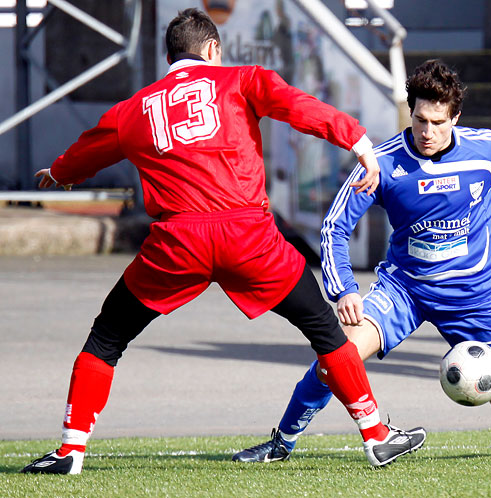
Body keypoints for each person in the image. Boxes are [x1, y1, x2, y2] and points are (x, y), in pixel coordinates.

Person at [20, 8, 426, 474]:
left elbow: (87, 151)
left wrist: (59, 172)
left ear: (169, 57)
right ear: (213, 49)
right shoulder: (241, 79)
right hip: (250, 238)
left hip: (178, 243)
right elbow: (299, 107)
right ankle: (375, 435)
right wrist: (357, 141)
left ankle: (71, 450)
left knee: (106, 339)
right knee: (324, 331)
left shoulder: (133, 109)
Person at [230, 60, 491, 463]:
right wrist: (343, 287)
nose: (427, 131)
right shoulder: (382, 163)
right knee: (337, 355)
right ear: (410, 113)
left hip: (473, 296)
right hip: (406, 290)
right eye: (419, 120)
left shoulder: (484, 151)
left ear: (455, 118)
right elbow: (335, 227)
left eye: (438, 122)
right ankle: (280, 442)